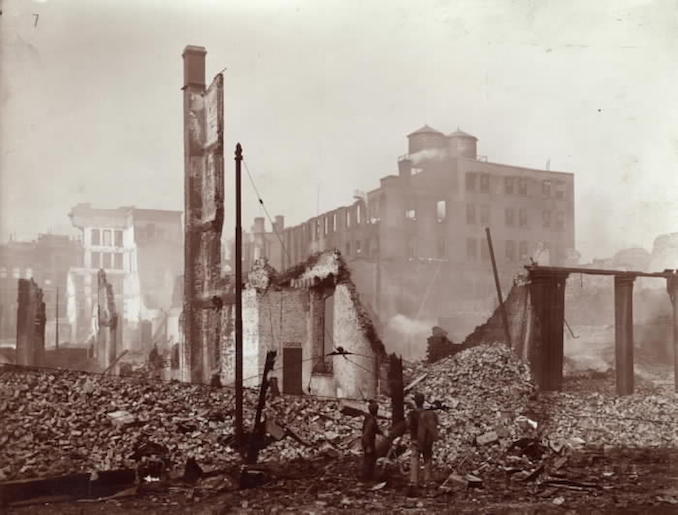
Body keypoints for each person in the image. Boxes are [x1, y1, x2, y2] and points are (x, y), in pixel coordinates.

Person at [407, 392, 439, 488]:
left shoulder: (412, 413)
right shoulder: (430, 413)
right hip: (427, 440)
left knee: (414, 459)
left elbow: (408, 425)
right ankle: (427, 480)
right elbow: (436, 424)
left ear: (415, 402)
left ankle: (414, 481)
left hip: (415, 440)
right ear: (423, 401)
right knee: (427, 459)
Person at [360, 400, 383, 481]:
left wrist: (382, 433)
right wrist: (368, 446)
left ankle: (367, 477)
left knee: (370, 459)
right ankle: (366, 478)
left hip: (367, 442)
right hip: (368, 442)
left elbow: (375, 430)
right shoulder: (371, 421)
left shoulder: (369, 418)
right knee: (369, 460)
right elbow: (367, 433)